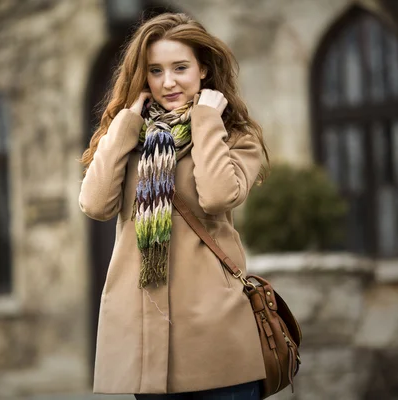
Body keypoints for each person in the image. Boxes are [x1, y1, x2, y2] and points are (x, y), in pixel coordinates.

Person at [79, 12, 270, 400]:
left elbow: (217, 196)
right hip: (147, 344)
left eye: (180, 67)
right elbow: (96, 204)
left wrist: (205, 120)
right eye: (156, 70)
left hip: (216, 339)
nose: (168, 82)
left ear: (202, 69)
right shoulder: (130, 138)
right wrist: (125, 125)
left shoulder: (234, 138)